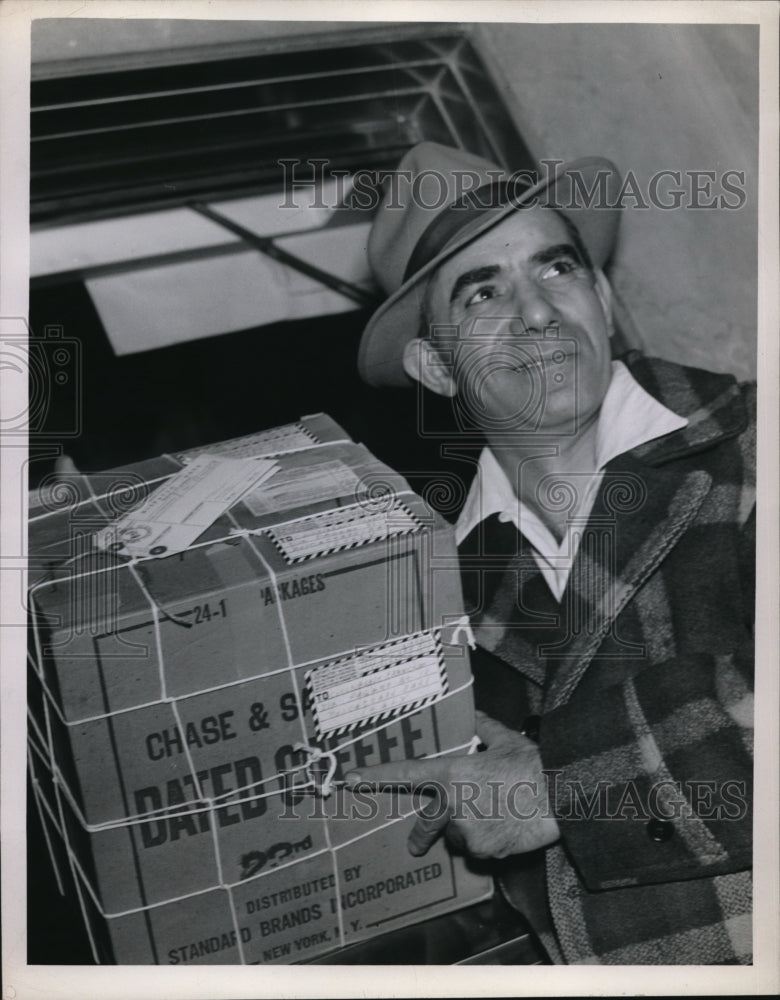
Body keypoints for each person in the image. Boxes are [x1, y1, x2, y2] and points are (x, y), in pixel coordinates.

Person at [348, 143, 755, 965]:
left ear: (601, 298)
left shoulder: (752, 450)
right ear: (434, 365)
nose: (536, 313)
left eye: (557, 269)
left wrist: (562, 785)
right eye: (483, 293)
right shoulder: (439, 598)